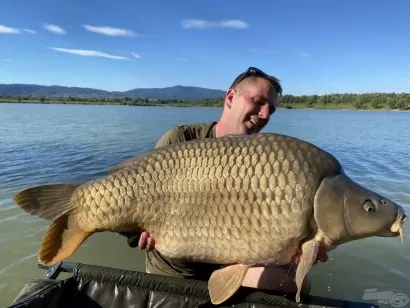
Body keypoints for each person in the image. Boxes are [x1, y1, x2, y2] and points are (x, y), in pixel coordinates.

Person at [123, 66, 327, 295]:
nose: (265, 114)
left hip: (234, 266)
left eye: (271, 109)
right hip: (178, 270)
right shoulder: (180, 139)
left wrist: (299, 248)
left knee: (298, 282)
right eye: (258, 102)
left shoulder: (266, 158)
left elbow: (268, 222)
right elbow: (138, 196)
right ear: (230, 97)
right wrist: (134, 233)